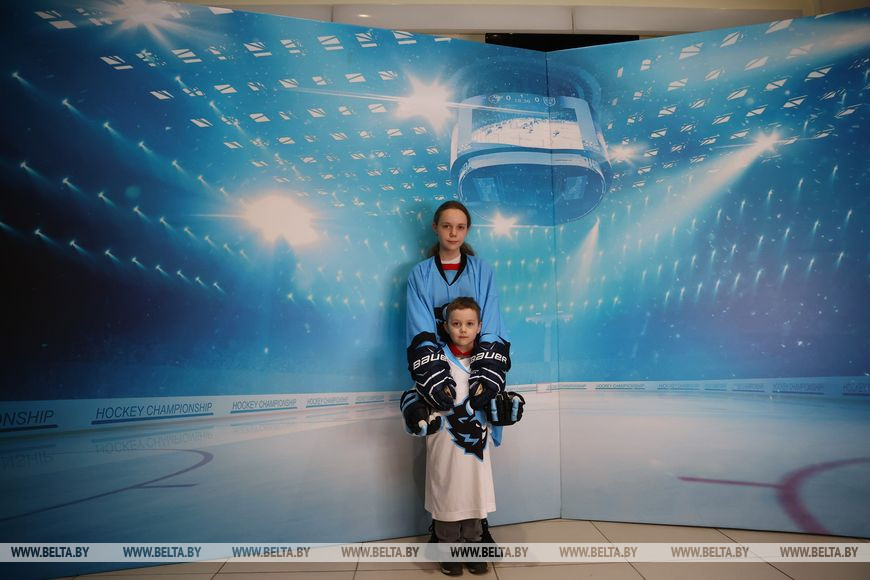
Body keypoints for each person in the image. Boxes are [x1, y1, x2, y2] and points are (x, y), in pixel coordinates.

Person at [400, 297, 524, 576]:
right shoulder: (435, 362)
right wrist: (414, 409)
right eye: (456, 324)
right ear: (445, 327)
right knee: (448, 495)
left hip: (476, 447)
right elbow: (414, 395)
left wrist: (507, 406)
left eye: (469, 324)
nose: (463, 329)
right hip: (444, 444)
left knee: (474, 496)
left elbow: (498, 401)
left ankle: (474, 546)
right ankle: (447, 549)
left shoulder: (487, 366)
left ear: (480, 326)